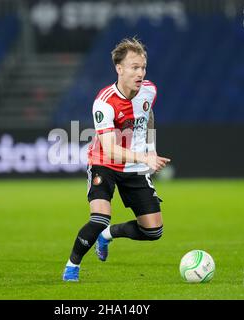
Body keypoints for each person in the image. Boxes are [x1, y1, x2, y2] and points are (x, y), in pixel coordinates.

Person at [62, 37, 171, 281]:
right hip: (104, 162)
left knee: (154, 231)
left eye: (143, 67)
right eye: (134, 67)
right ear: (119, 68)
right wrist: (144, 156)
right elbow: (110, 149)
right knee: (99, 217)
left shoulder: (149, 90)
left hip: (136, 166)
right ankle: (72, 266)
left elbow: (148, 114)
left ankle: (108, 235)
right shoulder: (104, 102)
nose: (140, 72)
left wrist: (150, 149)